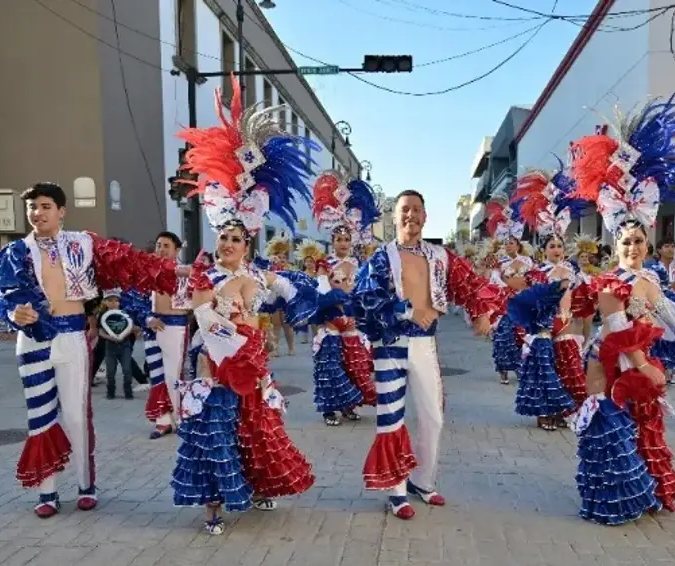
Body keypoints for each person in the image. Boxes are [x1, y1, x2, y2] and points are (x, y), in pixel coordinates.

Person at [0, 182, 186, 518]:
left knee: (77, 416)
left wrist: (175, 269)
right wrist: (12, 313)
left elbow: (132, 261)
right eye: (33, 206)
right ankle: (46, 491)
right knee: (40, 418)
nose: (38, 212)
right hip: (33, 341)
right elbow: (5, 298)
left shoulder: (84, 243)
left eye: (45, 206)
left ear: (61, 211)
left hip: (73, 336)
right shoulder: (15, 251)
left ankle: (85, 484)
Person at [169, 80, 316, 535]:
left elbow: (302, 292)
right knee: (214, 433)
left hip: (251, 365)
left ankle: (259, 486)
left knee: (256, 431)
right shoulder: (205, 276)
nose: (227, 243)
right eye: (223, 237)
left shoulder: (260, 276)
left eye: (235, 238)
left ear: (246, 240)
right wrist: (216, 302)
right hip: (215, 367)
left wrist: (302, 297)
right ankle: (214, 505)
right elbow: (196, 312)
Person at [567, 95, 675, 521]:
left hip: (642, 362)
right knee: (614, 432)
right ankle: (617, 499)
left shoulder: (651, 278)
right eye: (625, 242)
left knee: (647, 426)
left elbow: (667, 310)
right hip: (614, 365)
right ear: (616, 245)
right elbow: (615, 329)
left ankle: (648, 491)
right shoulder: (610, 282)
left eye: (638, 242)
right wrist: (643, 365)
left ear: (647, 244)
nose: (632, 248)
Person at [350, 189, 508, 520]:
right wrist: (405, 311)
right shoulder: (381, 257)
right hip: (390, 346)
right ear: (394, 217)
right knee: (390, 420)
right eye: (404, 209)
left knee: (432, 417)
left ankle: (422, 481)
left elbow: (470, 283)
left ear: (425, 216)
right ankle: (395, 489)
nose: (411, 215)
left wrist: (481, 312)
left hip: (425, 344)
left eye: (417, 209)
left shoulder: (440, 256)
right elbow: (363, 300)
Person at [510, 163, 587, 430]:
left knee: (568, 370)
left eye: (559, 245)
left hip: (564, 326)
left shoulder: (574, 271)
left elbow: (583, 301)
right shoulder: (536, 273)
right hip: (543, 328)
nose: (556, 249)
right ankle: (545, 413)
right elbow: (524, 299)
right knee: (544, 370)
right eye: (551, 245)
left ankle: (566, 411)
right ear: (544, 250)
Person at [309, 169, 380, 426]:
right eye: (338, 239)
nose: (342, 243)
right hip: (330, 322)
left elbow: (365, 292)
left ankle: (349, 405)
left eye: (346, 239)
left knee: (356, 366)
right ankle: (330, 409)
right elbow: (321, 293)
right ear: (332, 240)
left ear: (352, 240)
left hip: (351, 321)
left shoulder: (360, 263)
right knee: (330, 366)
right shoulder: (324, 264)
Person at [142, 231, 193, 439]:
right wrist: (147, 319)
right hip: (152, 328)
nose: (161, 249)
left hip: (176, 328)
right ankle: (162, 421)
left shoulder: (187, 272)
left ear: (177, 250)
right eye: (158, 245)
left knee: (174, 377)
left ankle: (181, 419)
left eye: (166, 246)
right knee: (156, 377)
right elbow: (135, 299)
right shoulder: (147, 272)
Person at [486, 198, 533, 385]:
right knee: (504, 337)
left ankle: (521, 369)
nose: (508, 245)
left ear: (518, 244)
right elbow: (495, 283)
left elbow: (531, 281)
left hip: (522, 303)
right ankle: (503, 371)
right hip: (505, 305)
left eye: (512, 242)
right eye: (506, 243)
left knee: (522, 337)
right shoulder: (500, 264)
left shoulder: (528, 262)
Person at [98, 289, 140, 399]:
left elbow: (132, 326)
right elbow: (100, 331)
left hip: (125, 344)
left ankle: (128, 391)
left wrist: (132, 331)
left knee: (127, 369)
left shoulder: (125, 313)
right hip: (109, 346)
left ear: (119, 302)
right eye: (110, 300)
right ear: (105, 302)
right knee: (110, 371)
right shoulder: (103, 315)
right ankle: (110, 391)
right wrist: (108, 337)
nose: (113, 303)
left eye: (116, 300)